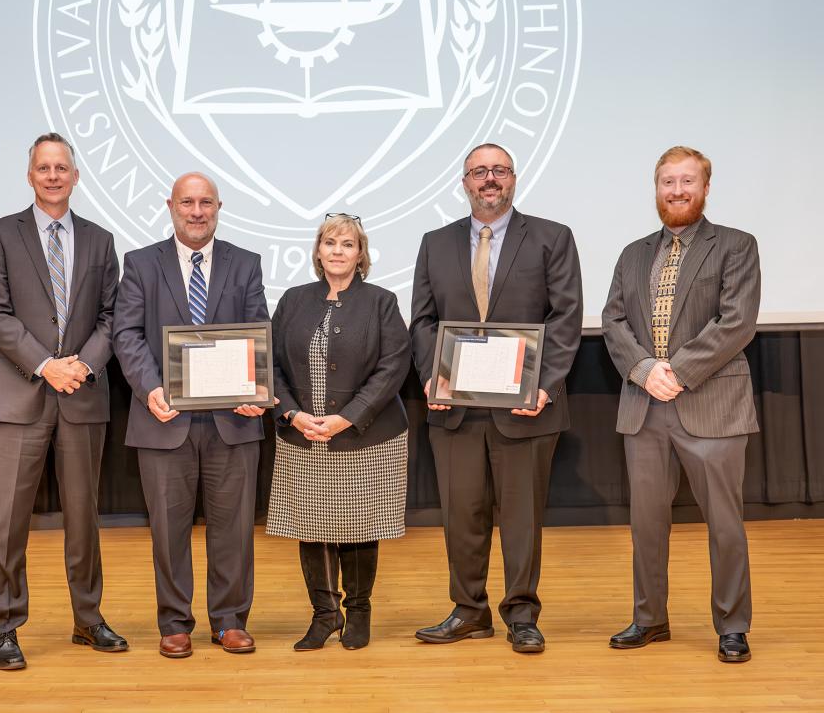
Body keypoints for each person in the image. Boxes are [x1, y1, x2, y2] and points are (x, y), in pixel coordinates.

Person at [410, 143, 582, 653]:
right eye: (479, 172)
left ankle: (522, 614)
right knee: (461, 515)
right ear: (464, 182)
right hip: (455, 407)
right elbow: (422, 320)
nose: (490, 179)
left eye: (499, 171)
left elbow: (565, 319)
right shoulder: (434, 242)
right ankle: (469, 611)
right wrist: (430, 376)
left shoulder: (552, 237)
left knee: (522, 518)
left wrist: (544, 385)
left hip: (525, 408)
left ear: (513, 179)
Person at [601, 146, 760, 663]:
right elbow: (613, 322)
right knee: (646, 524)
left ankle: (732, 625)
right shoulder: (632, 254)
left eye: (687, 181)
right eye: (668, 182)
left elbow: (736, 322)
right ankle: (650, 619)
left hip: (712, 403)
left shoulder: (736, 246)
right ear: (656, 188)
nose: (677, 191)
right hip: (645, 405)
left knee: (724, 525)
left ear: (706, 187)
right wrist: (647, 371)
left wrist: (679, 371)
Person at [0, 132, 126, 671]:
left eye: (62, 167)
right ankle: (3, 627)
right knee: (7, 521)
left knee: (84, 518)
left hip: (82, 396)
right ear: (30, 175)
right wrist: (48, 365)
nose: (54, 175)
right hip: (21, 394)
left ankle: (88, 619)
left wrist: (81, 365)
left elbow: (113, 316)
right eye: (44, 167)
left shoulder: (100, 240)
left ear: (76, 175)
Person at [112, 172, 269, 659]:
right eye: (187, 202)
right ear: (170, 206)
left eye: (205, 203)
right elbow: (126, 334)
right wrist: (150, 388)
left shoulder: (245, 263)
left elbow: (257, 330)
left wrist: (257, 388)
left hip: (234, 419)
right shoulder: (140, 263)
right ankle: (174, 622)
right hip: (163, 418)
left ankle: (229, 620)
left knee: (235, 528)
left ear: (218, 207)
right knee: (168, 529)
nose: (196, 211)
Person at [267, 213, 411, 651]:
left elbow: (394, 367)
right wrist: (292, 415)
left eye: (347, 244)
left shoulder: (382, 302)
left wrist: (346, 417)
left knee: (359, 525)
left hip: (365, 435)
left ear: (360, 254)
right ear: (317, 251)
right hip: (303, 433)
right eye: (330, 242)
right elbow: (267, 363)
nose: (337, 250)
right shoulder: (293, 299)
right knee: (312, 527)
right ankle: (325, 614)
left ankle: (359, 612)